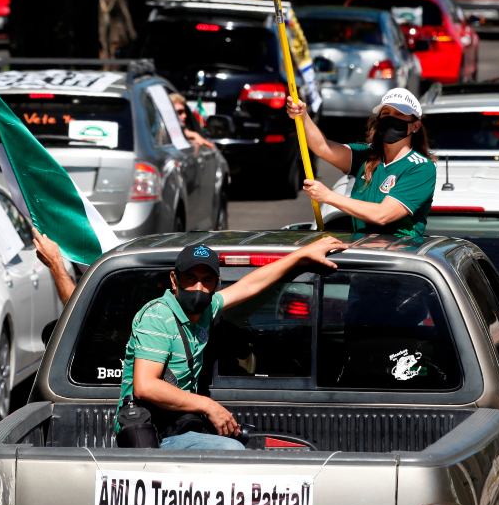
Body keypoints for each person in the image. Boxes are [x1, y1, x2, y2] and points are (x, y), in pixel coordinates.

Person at [118, 238, 345, 449]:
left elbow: (250, 285)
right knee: (232, 451)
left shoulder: (207, 309)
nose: (198, 288)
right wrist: (208, 406)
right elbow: (146, 386)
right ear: (174, 280)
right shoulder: (157, 316)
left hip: (178, 423)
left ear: (216, 284)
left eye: (206, 280)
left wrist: (301, 254)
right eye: (190, 278)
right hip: (152, 433)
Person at [285, 88, 437, 237]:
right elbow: (323, 147)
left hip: (399, 256)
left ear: (415, 126)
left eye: (399, 114)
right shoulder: (367, 155)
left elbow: (382, 215)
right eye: (386, 113)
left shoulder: (421, 167)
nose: (391, 118)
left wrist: (327, 196)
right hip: (360, 251)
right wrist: (303, 116)